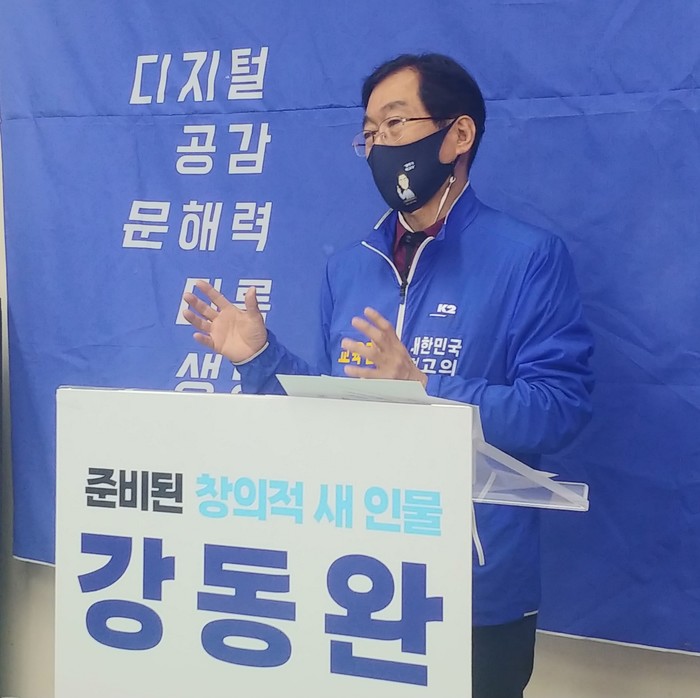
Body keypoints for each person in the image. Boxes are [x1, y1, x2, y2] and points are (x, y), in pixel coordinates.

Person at [183, 53, 594, 698]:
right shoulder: (349, 267)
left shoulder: (527, 258)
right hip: (358, 579)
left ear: (458, 135)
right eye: (369, 133)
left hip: (475, 590)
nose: (379, 144)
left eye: (396, 124)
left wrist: (425, 391)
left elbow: (558, 409)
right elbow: (334, 412)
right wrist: (257, 358)